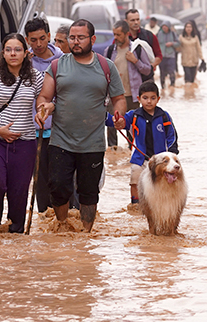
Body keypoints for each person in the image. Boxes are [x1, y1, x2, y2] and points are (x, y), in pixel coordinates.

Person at [36, 19, 128, 232]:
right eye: (72, 38)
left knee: (88, 193)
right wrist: (44, 108)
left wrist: (119, 116)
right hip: (61, 140)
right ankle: (62, 226)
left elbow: (119, 99)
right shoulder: (57, 65)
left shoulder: (106, 66)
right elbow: (44, 96)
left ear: (92, 39)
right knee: (58, 187)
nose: (75, 42)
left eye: (81, 38)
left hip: (93, 142)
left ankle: (86, 234)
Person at [0, 33, 44, 233]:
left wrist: (42, 111)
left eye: (17, 50)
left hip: (25, 143)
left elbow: (45, 99)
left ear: (25, 53)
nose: (13, 54)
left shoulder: (35, 77)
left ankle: (15, 235)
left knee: (19, 192)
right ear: (3, 53)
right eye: (8, 50)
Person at [24, 17, 72, 212]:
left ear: (49, 36)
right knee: (40, 180)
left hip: (61, 130)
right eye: (33, 40)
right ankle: (45, 219)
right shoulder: (23, 62)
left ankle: (68, 217)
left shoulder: (64, 61)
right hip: (33, 131)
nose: (38, 44)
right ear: (27, 40)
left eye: (42, 38)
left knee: (63, 178)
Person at [107, 81, 178, 205]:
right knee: (135, 180)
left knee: (163, 183)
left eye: (152, 98)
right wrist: (106, 117)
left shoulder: (164, 117)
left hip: (160, 160)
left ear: (158, 99)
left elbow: (172, 137)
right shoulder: (133, 116)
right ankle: (136, 205)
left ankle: (161, 205)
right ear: (139, 99)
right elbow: (118, 122)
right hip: (140, 158)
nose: (149, 101)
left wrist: (171, 155)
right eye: (145, 98)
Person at [105, 20, 151, 154]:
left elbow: (147, 70)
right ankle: (113, 153)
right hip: (114, 95)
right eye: (114, 34)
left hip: (132, 95)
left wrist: (135, 61)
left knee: (132, 126)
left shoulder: (137, 49)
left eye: (118, 35)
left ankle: (132, 153)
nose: (115, 37)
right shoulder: (109, 51)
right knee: (112, 126)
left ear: (127, 34)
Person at [156, 21, 180, 90]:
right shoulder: (159, 34)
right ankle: (162, 88)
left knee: (171, 72)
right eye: (163, 26)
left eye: (165, 26)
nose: (164, 27)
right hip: (162, 56)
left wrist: (172, 43)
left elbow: (178, 43)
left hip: (171, 56)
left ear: (169, 27)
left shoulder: (173, 34)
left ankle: (172, 86)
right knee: (162, 73)